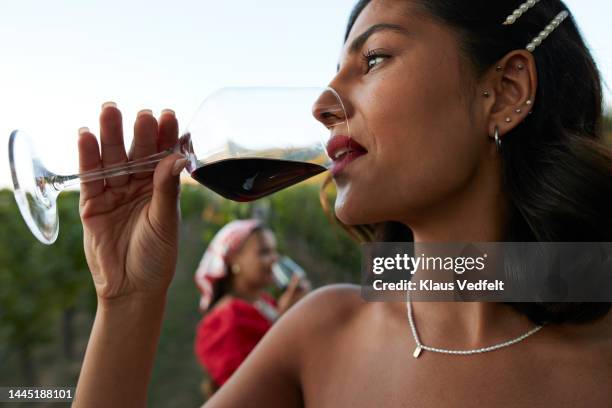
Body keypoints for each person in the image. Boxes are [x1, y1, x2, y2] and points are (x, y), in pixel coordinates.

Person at [73, 0, 612, 406]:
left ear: (507, 90)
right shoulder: (320, 334)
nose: (322, 105)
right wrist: (127, 302)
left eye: (373, 59)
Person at [193, 219, 306, 394]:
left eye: (274, 251)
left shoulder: (264, 301)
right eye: (264, 252)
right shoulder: (225, 318)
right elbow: (247, 389)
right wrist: (283, 320)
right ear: (233, 259)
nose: (274, 258)